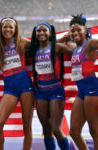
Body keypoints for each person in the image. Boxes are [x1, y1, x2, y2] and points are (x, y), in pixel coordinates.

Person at [0, 17, 35, 150]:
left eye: (11, 27)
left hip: (26, 86)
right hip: (10, 89)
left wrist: (64, 40)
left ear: (15, 29)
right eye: (5, 27)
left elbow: (44, 45)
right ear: (1, 29)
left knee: (27, 125)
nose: (8, 29)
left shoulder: (22, 42)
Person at [28, 22, 73, 150]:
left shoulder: (57, 47)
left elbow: (77, 53)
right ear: (35, 34)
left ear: (50, 33)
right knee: (47, 130)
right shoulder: (33, 50)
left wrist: (73, 42)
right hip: (41, 92)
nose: (41, 33)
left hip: (56, 90)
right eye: (39, 31)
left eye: (44, 30)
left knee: (56, 129)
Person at [61, 14, 98, 150]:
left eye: (78, 30)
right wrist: (67, 36)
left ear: (86, 31)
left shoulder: (90, 44)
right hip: (81, 92)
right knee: (74, 132)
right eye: (73, 30)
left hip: (93, 89)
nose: (75, 32)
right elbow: (54, 44)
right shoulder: (74, 48)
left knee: (94, 130)